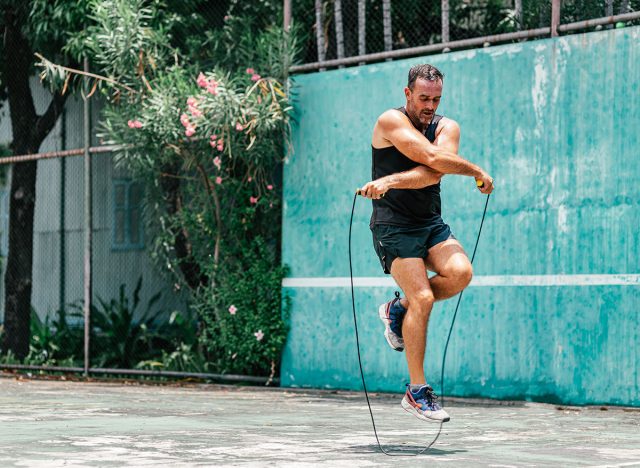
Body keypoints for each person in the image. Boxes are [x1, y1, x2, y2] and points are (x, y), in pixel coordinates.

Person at [358, 64, 494, 423]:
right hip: (393, 226)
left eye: (436, 99)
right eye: (423, 98)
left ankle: (396, 309)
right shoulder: (390, 121)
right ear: (407, 94)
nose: (430, 105)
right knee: (424, 297)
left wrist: (392, 180)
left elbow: (435, 169)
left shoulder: (447, 127)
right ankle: (416, 391)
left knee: (461, 273)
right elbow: (434, 159)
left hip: (430, 223)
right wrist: (476, 171)